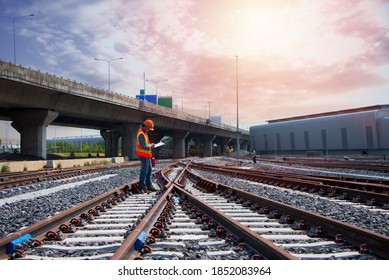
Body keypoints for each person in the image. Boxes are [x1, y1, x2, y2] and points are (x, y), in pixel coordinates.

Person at [136, 119, 159, 193]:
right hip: (143, 156)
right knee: (144, 171)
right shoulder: (141, 134)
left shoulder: (144, 133)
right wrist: (150, 146)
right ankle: (141, 187)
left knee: (149, 171)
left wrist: (150, 144)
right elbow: (143, 146)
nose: (149, 130)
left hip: (147, 155)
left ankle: (149, 185)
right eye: (149, 128)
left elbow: (146, 144)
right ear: (145, 127)